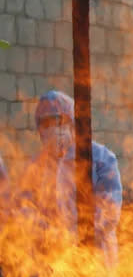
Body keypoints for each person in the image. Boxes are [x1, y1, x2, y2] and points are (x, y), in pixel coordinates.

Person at [29, 90, 123, 266]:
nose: (52, 129)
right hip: (50, 263)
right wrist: (44, 233)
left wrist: (74, 235)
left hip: (94, 260)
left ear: (72, 123)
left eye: (58, 121)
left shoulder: (100, 158)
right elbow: (24, 209)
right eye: (45, 124)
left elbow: (109, 211)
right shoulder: (35, 166)